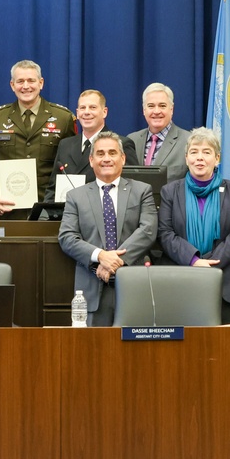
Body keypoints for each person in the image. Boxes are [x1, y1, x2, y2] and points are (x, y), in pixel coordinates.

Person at [58, 131, 157, 326]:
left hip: (133, 284)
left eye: (112, 153)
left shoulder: (142, 191)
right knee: (92, 352)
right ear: (91, 160)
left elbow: (148, 231)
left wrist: (112, 261)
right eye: (100, 154)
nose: (106, 159)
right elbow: (67, 237)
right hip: (92, 286)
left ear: (122, 158)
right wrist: (100, 256)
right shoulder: (75, 196)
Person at [158, 128, 230, 326]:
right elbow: (165, 233)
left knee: (226, 350)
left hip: (229, 284)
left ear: (217, 158)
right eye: (194, 152)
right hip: (182, 281)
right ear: (186, 158)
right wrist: (193, 260)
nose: (199, 158)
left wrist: (211, 262)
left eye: (206, 152)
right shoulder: (170, 192)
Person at [0, 60, 76, 217]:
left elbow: (71, 168)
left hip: (49, 211)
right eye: (20, 81)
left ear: (41, 83)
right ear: (12, 85)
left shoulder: (63, 118)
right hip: (8, 210)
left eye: (31, 80)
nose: (26, 86)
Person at [44, 90, 138, 202]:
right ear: (77, 113)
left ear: (104, 112)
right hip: (66, 215)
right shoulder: (65, 145)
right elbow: (52, 189)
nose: (86, 112)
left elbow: (130, 189)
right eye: (83, 108)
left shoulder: (122, 144)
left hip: (103, 214)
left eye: (93, 107)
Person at [127, 83, 190, 182]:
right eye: (151, 106)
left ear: (171, 109)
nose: (156, 111)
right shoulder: (132, 140)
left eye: (162, 106)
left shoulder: (188, 141)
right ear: (144, 110)